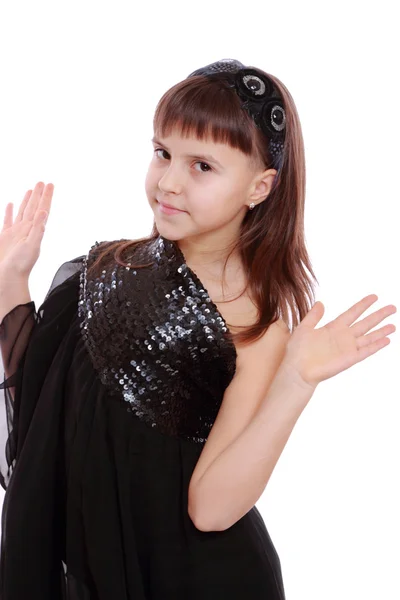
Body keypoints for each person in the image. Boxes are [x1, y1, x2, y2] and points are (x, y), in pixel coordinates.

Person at [0, 58, 396, 599]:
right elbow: (37, 414)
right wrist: (11, 279)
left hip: (196, 579)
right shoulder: (105, 270)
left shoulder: (257, 325)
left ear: (259, 187)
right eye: (163, 152)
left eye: (202, 166)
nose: (169, 181)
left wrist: (295, 384)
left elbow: (210, 509)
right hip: (101, 575)